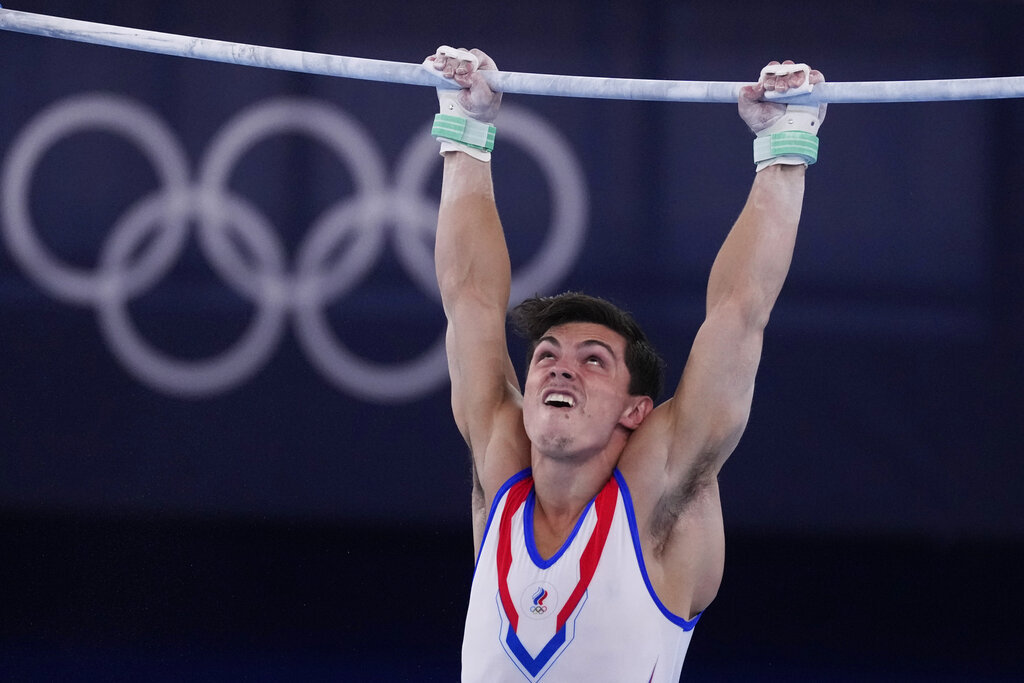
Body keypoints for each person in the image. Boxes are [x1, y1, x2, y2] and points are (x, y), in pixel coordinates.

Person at [425, 46, 825, 682]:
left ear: (637, 409)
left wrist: (784, 149)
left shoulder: (657, 491)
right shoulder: (501, 458)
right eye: (548, 356)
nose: (559, 369)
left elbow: (738, 314)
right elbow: (468, 302)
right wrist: (465, 129)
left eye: (593, 362)